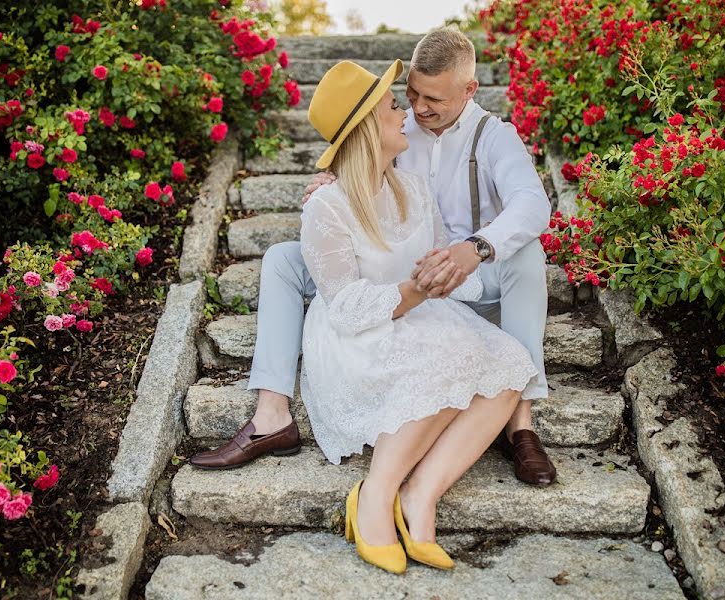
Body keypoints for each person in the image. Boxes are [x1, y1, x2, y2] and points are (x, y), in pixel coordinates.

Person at [190, 28, 557, 486]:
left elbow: (532, 203)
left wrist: (477, 247)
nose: (419, 109)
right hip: (397, 266)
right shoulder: (399, 128)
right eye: (412, 94)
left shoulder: (493, 137)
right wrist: (336, 184)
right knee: (283, 259)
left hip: (472, 272)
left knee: (528, 257)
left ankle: (520, 422)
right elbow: (362, 158)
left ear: (469, 90)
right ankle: (272, 413)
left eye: (434, 99)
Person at [307, 59, 536, 573]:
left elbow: (436, 257)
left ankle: (419, 496)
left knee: (509, 364)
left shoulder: (413, 188)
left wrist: (450, 274)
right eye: (392, 107)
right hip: (358, 335)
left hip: (417, 311)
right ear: (369, 129)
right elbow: (344, 308)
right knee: (443, 358)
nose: (404, 114)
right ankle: (372, 498)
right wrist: (413, 290)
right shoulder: (326, 206)